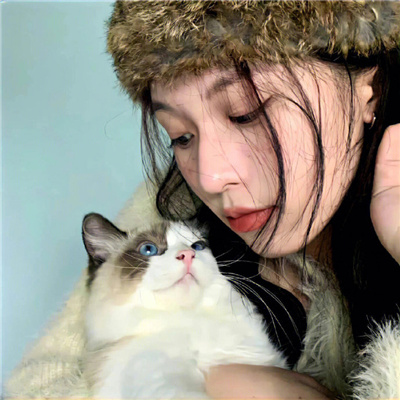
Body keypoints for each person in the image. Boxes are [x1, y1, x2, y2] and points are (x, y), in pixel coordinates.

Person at [6, 1, 400, 399]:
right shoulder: (166, 210)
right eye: (180, 136)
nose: (210, 177)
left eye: (246, 113)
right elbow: (37, 384)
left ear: (368, 89)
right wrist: (219, 379)